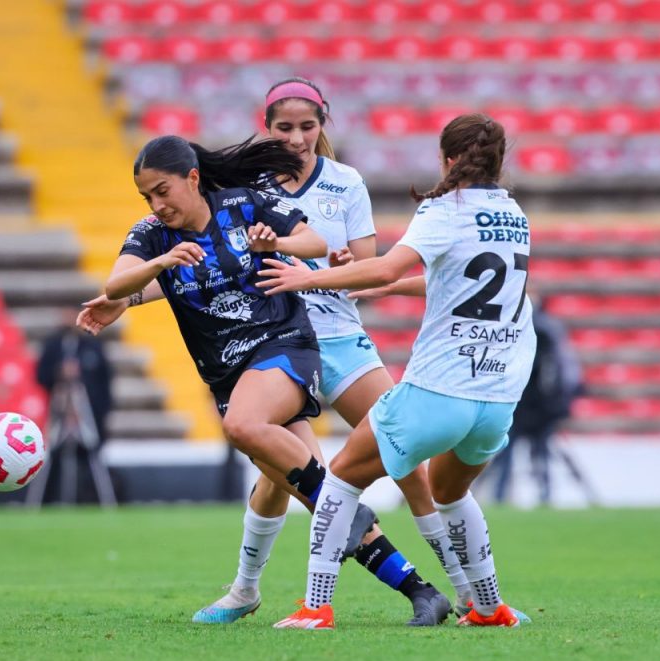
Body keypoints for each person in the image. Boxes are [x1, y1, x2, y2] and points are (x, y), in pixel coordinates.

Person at [99, 133, 450, 624]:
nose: (156, 204)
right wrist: (158, 265)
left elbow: (316, 243)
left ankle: (310, 537)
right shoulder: (153, 236)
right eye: (147, 197)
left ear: (193, 178)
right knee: (287, 481)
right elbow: (115, 283)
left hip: (284, 345)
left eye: (163, 191)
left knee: (243, 428)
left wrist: (275, 243)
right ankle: (420, 590)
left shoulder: (242, 204)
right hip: (229, 375)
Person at [257, 113, 537, 629]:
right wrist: (384, 290)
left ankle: (315, 607)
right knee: (450, 493)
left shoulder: (443, 209)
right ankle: (489, 606)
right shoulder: (513, 214)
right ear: (498, 162)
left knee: (338, 479)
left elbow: (387, 264)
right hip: (497, 394)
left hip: (439, 389)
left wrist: (306, 278)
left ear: (447, 160)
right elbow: (460, 285)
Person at [490, 297, 585, 505]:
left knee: (506, 453)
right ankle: (544, 494)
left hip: (518, 404)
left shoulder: (514, 329)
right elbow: (564, 369)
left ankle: (499, 495)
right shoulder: (550, 330)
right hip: (539, 406)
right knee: (539, 454)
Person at [31, 307, 116, 505]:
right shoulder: (52, 346)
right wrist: (58, 374)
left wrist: (99, 412)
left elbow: (104, 382)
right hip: (59, 412)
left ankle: (90, 499)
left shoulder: (93, 346)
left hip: (88, 414)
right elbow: (40, 376)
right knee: (53, 458)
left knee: (90, 458)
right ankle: (47, 501)